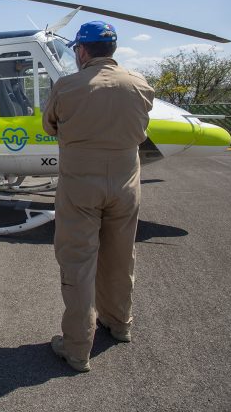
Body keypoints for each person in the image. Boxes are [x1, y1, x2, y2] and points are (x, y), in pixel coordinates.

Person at [42, 21, 155, 372]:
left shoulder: (68, 86)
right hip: (125, 186)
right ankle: (120, 324)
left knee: (79, 262)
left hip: (80, 188)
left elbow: (50, 125)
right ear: (113, 49)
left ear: (82, 50)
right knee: (121, 257)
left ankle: (77, 347)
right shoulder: (140, 85)